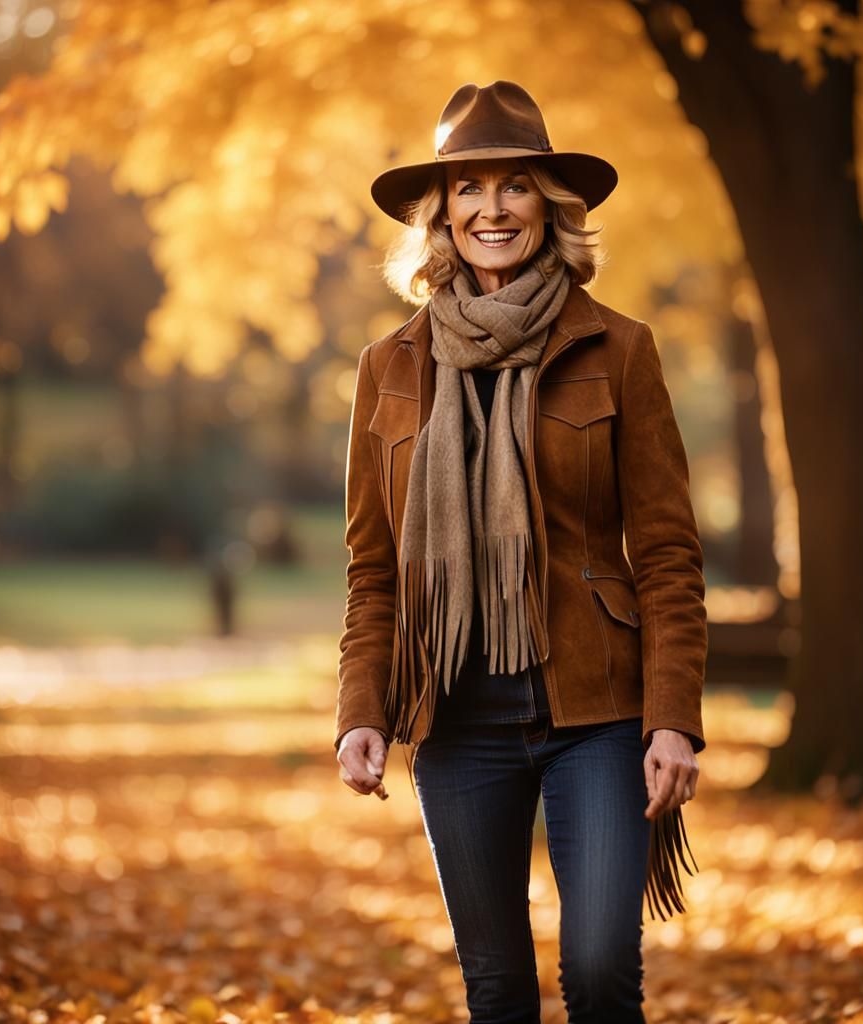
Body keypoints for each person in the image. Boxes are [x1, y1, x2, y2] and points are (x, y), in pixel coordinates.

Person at [334, 80, 707, 1024]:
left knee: (598, 973)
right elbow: (373, 569)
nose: (491, 208)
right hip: (457, 714)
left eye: (515, 186)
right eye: (469, 189)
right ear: (440, 216)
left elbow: (666, 554)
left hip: (599, 712)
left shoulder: (618, 348)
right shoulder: (390, 367)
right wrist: (361, 710)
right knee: (497, 990)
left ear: (550, 207)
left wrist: (673, 719)